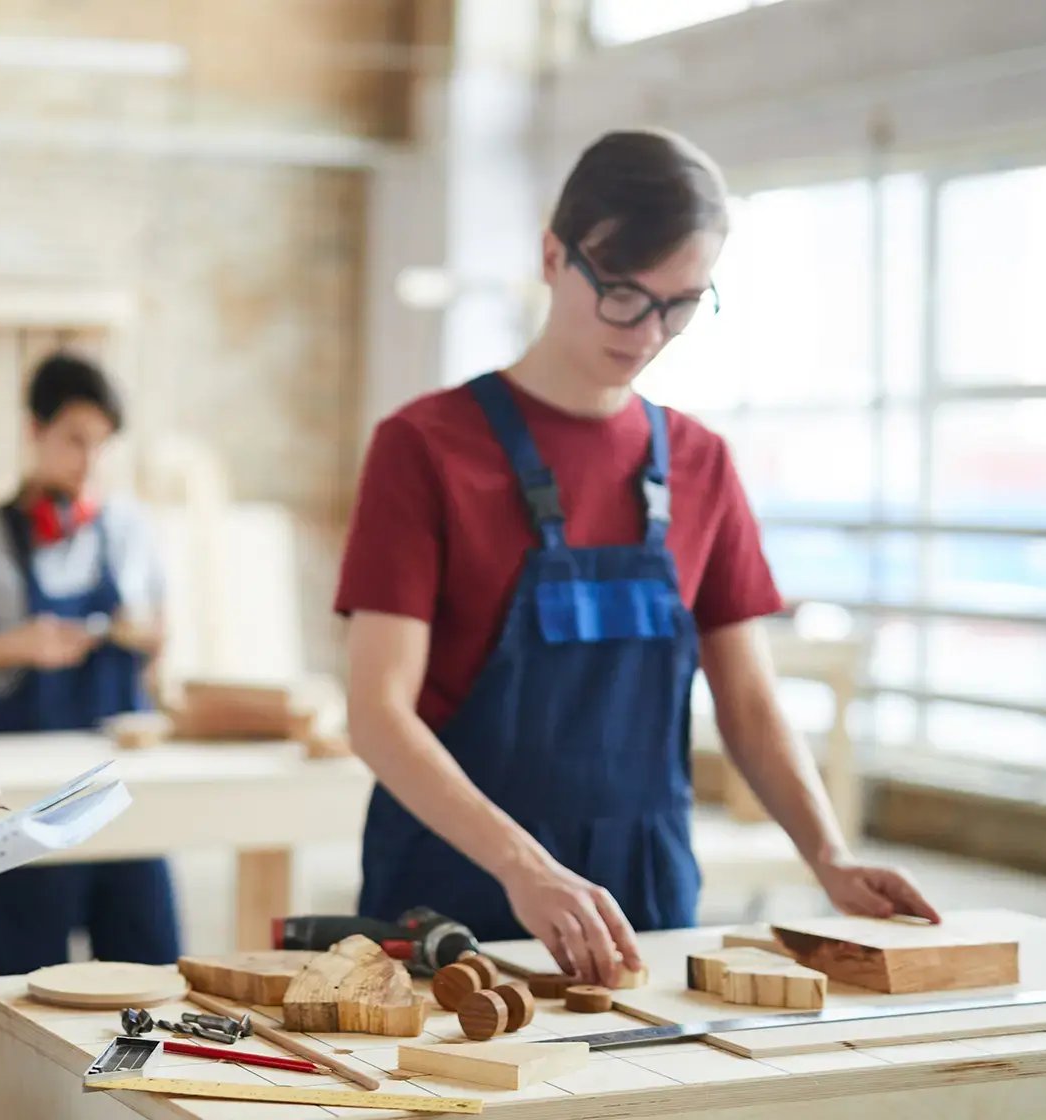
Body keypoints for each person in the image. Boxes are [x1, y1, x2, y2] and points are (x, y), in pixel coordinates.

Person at [335, 130, 939, 988]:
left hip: (644, 901)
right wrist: (523, 865)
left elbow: (749, 702)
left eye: (684, 303)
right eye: (625, 295)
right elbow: (376, 714)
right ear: (554, 256)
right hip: (453, 892)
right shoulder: (424, 449)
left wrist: (828, 855)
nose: (651, 331)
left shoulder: (702, 463)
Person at [0, 353, 179, 976]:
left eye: (103, 446)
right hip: (24, 804)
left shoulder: (131, 531)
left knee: (148, 981)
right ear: (35, 431)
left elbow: (161, 638)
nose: (89, 464)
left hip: (121, 792)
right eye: (74, 441)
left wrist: (145, 638)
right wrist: (11, 647)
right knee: (23, 989)